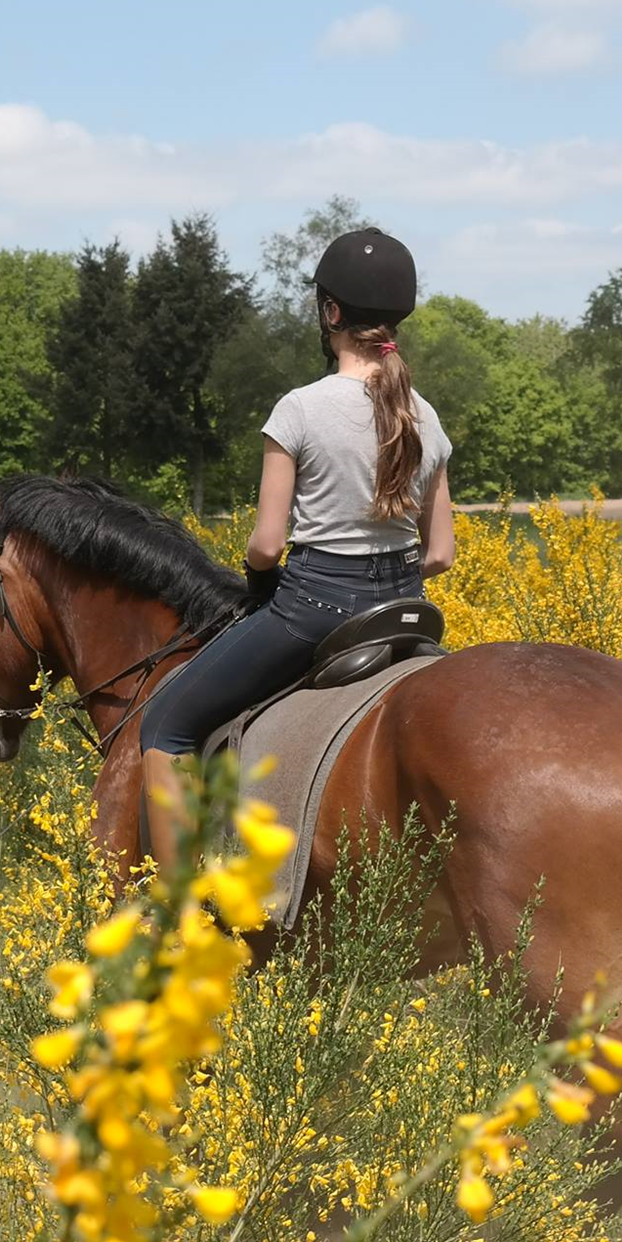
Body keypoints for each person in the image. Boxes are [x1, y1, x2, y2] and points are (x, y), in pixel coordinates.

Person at [138, 227, 456, 872]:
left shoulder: (300, 409)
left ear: (331, 313)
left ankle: (173, 914)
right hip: (404, 610)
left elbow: (265, 544)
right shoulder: (425, 415)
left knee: (164, 727)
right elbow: (442, 553)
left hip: (312, 609)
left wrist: (261, 575)